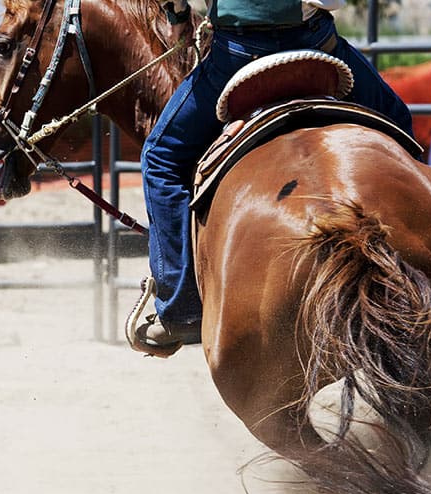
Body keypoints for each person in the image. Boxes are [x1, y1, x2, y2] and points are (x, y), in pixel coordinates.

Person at [135, 0, 414, 354]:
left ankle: (182, 309)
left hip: (236, 54)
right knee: (398, 123)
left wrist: (178, 20)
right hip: (316, 45)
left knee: (160, 158)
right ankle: (424, 268)